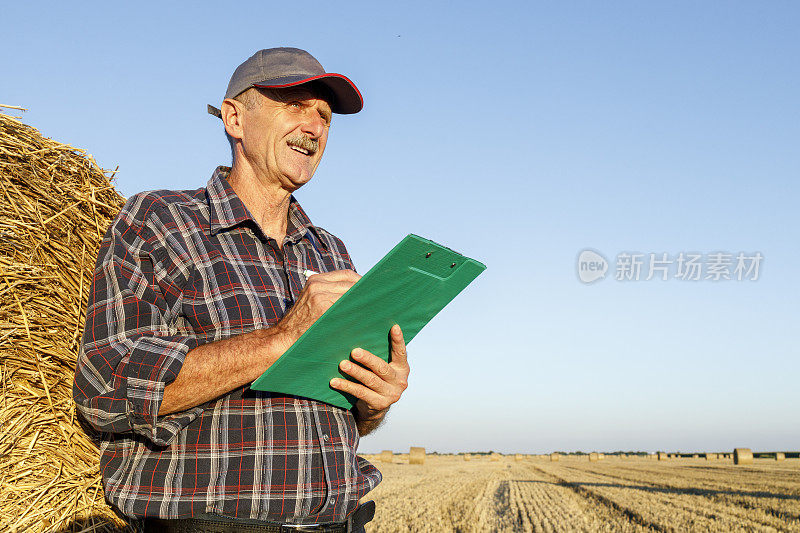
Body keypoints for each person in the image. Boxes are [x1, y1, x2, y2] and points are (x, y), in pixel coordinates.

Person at [73, 47, 410, 532]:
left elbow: (340, 418)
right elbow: (104, 388)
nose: (314, 126)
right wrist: (281, 338)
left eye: (324, 115)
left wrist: (373, 401)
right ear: (234, 117)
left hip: (342, 521)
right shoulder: (160, 223)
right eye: (293, 105)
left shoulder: (331, 254)